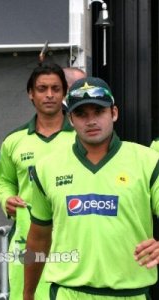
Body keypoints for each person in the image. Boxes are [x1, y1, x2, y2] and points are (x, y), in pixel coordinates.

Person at [24, 76, 159, 300]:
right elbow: (38, 238)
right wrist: (27, 295)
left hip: (131, 294)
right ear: (71, 119)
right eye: (81, 114)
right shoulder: (46, 168)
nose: (91, 121)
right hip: (69, 293)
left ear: (113, 113)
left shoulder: (148, 162)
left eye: (98, 112)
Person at [0, 63, 85, 299]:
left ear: (64, 93)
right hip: (27, 241)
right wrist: (6, 199)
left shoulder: (83, 137)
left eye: (55, 88)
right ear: (30, 94)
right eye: (42, 88)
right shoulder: (14, 141)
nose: (50, 95)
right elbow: (3, 180)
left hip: (74, 238)